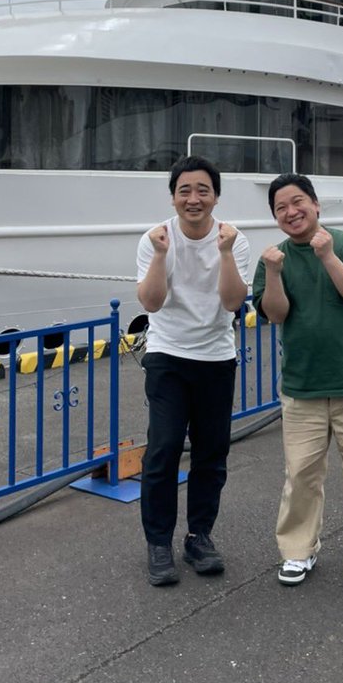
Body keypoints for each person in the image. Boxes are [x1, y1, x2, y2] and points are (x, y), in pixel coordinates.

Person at [253, 173, 343, 593]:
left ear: (316, 204)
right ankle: (298, 550)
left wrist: (328, 256)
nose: (291, 212)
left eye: (298, 202)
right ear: (275, 217)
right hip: (302, 386)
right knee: (301, 476)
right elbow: (275, 314)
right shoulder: (273, 259)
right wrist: (273, 273)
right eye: (281, 208)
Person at [136, 155, 250, 586]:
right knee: (163, 448)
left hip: (216, 358)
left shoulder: (233, 240)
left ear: (216, 197)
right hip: (167, 355)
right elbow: (151, 302)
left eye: (203, 190)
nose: (194, 198)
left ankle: (199, 537)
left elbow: (232, 302)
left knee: (211, 453)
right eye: (184, 190)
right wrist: (160, 255)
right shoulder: (155, 238)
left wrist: (225, 252)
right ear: (173, 197)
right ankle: (158, 543)